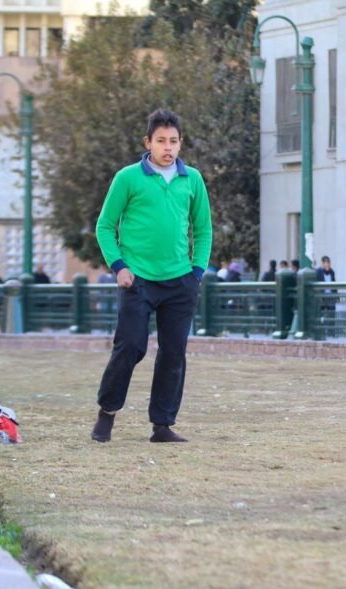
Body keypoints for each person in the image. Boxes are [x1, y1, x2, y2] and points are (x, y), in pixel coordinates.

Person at [90, 108, 212, 444]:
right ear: (148, 142)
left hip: (179, 281)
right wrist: (119, 266)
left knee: (174, 353)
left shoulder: (193, 180)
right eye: (161, 141)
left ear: (180, 143)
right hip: (137, 279)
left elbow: (203, 230)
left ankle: (162, 425)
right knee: (130, 346)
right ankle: (107, 412)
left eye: (173, 141)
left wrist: (196, 272)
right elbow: (104, 226)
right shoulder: (128, 178)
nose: (168, 147)